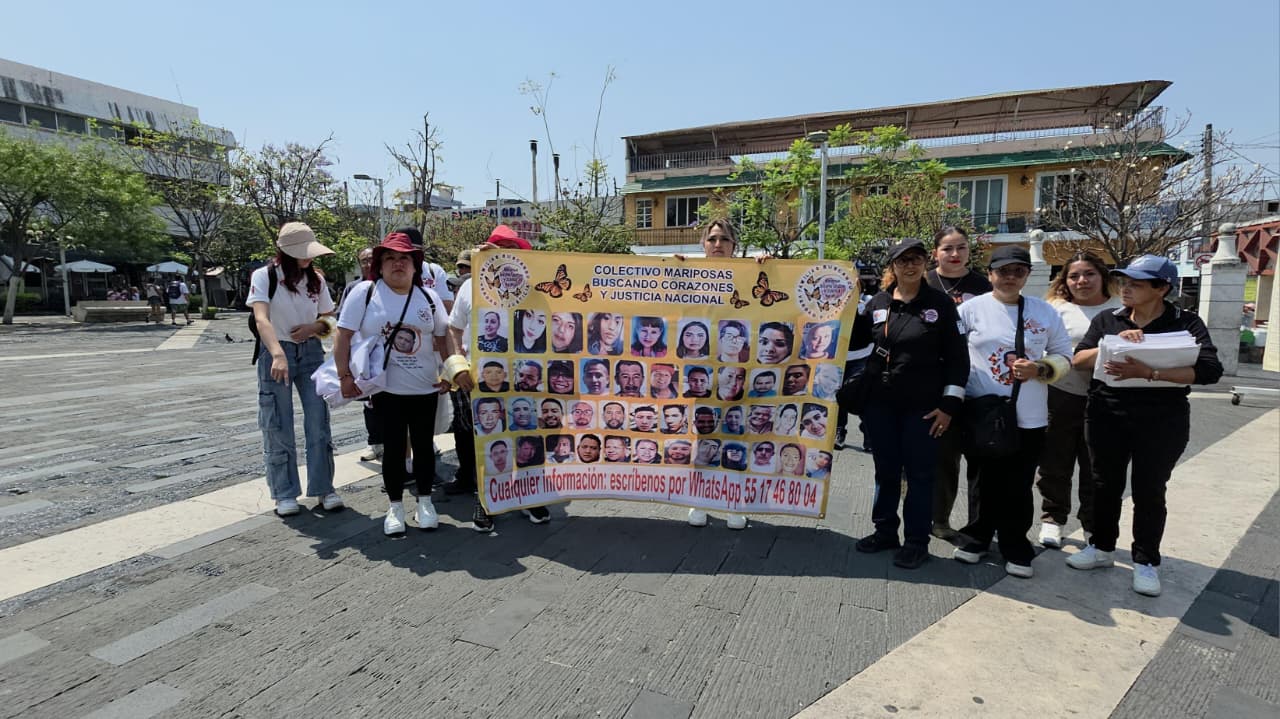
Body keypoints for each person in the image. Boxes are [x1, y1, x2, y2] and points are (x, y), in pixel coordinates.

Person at [1066, 254, 1222, 597]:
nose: (1125, 289)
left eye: (1135, 284)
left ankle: (1146, 560)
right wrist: (1114, 344)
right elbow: (1078, 360)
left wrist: (1150, 371)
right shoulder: (1110, 319)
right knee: (1103, 484)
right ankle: (1101, 547)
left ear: (1162, 288)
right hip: (1107, 413)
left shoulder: (1186, 323)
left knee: (1149, 489)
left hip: (1162, 419)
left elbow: (1210, 370)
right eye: (1124, 282)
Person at [951, 245, 1072, 579]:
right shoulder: (970, 310)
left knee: (1018, 483)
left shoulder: (1044, 312)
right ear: (990, 274)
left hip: (1029, 415)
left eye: (1018, 271)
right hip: (983, 412)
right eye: (1003, 271)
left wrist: (1040, 368)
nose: (1010, 277)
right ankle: (977, 536)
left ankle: (1015, 543)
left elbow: (1065, 355)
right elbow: (953, 354)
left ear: (1026, 275)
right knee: (981, 479)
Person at [848, 238, 969, 570]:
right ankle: (885, 531)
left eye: (916, 259)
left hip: (924, 407)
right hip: (880, 405)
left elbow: (959, 360)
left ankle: (917, 541)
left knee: (920, 475)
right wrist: (846, 303)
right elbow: (856, 341)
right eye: (902, 261)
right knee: (885, 471)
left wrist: (949, 406)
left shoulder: (941, 305)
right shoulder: (878, 303)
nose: (910, 266)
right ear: (893, 266)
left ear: (925, 262)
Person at [445, 226, 544, 530]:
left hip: (523, 377)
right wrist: (458, 366)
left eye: (511, 250)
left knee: (525, 433)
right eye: (499, 249)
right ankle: (486, 498)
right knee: (484, 438)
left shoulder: (533, 287)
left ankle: (529, 496)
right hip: (479, 378)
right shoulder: (470, 286)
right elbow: (454, 329)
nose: (505, 256)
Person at [248, 222, 341, 518]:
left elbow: (329, 318)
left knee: (318, 420)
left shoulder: (316, 279)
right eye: (303, 252)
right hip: (277, 349)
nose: (309, 257)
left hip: (311, 351)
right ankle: (285, 492)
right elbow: (261, 319)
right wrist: (277, 353)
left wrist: (313, 328)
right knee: (278, 422)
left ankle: (324, 487)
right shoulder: (265, 276)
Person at [1034, 252, 1122, 549]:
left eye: (1089, 274)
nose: (1082, 281)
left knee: (1096, 465)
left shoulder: (1121, 309)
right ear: (1065, 280)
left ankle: (1091, 524)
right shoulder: (1054, 309)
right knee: (1054, 461)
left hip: (1106, 397)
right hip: (1060, 394)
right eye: (1074, 276)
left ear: (1103, 277)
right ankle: (1052, 518)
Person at [927, 226, 992, 540]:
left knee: (981, 460)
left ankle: (979, 527)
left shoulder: (984, 286)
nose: (955, 254)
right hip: (938, 383)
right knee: (943, 457)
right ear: (935, 252)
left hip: (980, 383)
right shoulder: (925, 282)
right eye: (947, 248)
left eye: (961, 248)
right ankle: (939, 519)